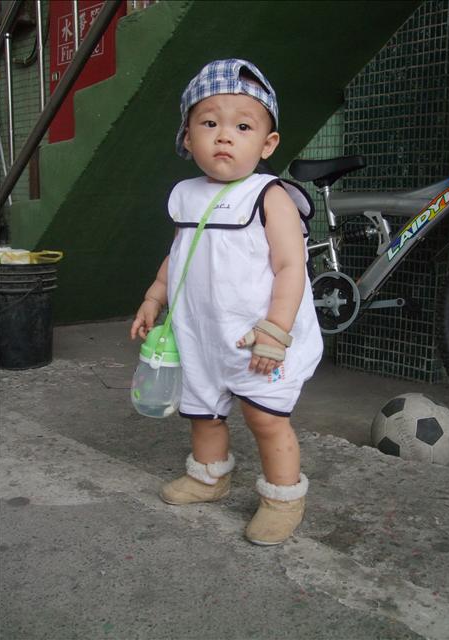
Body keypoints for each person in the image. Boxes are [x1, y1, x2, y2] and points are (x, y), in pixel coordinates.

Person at [131, 59, 323, 545]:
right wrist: (155, 295)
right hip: (202, 334)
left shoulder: (269, 195)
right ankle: (209, 476)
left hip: (259, 336)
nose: (224, 136)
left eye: (242, 127)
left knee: (265, 416)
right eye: (209, 123)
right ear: (188, 136)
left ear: (267, 143)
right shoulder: (186, 196)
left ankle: (283, 498)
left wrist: (276, 330)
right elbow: (181, 252)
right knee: (204, 411)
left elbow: (291, 267)